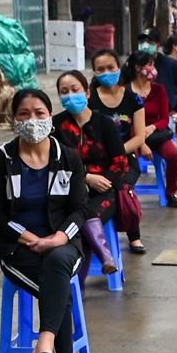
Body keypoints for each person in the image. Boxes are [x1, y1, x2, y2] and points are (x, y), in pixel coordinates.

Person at [0, 88, 88, 353]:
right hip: (17, 246)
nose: (32, 120)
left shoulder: (67, 157)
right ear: (13, 120)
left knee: (57, 262)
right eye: (24, 114)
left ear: (50, 117)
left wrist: (58, 236)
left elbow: (81, 208)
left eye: (39, 113)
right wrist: (28, 237)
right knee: (59, 286)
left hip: (63, 239)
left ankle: (45, 343)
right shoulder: (2, 159)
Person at [55, 70, 136, 271]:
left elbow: (120, 163)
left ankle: (80, 284)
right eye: (64, 91)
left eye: (75, 89)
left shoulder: (105, 124)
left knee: (81, 218)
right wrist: (86, 178)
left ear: (87, 93)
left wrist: (102, 182)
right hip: (70, 189)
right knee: (78, 211)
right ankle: (104, 256)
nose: (70, 95)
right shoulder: (56, 126)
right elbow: (55, 162)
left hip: (105, 189)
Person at [88, 50, 149, 255]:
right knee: (105, 187)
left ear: (119, 67)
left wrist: (116, 152)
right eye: (100, 69)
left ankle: (131, 235)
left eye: (110, 67)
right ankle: (96, 237)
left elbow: (139, 137)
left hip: (125, 158)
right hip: (96, 159)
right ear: (94, 72)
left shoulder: (133, 99)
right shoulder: (90, 100)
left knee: (121, 184)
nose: (106, 72)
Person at [129, 49, 177, 208]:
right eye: (150, 64)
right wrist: (141, 143)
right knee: (129, 161)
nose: (153, 68)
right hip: (133, 137)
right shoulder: (126, 91)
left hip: (156, 135)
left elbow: (165, 118)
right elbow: (127, 122)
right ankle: (128, 196)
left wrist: (151, 128)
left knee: (174, 156)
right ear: (138, 68)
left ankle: (171, 192)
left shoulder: (158, 89)